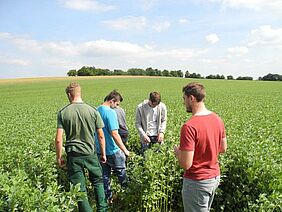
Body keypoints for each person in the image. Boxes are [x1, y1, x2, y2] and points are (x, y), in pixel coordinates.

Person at [174, 82, 227, 212]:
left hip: (197, 182)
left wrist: (178, 153)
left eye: (184, 99)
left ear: (191, 98)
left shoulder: (189, 126)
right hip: (214, 177)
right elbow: (223, 148)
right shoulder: (217, 119)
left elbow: (186, 164)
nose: (184, 102)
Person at [55, 82, 108, 212]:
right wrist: (103, 153)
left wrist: (59, 157)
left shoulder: (63, 113)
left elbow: (58, 139)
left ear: (69, 94)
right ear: (80, 93)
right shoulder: (93, 111)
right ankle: (102, 209)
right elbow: (101, 135)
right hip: (90, 153)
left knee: (79, 187)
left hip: (73, 155)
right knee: (98, 181)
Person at [95, 90, 130, 203]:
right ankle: (128, 196)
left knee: (104, 176)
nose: (116, 107)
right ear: (112, 101)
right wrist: (125, 150)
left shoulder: (97, 110)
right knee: (121, 173)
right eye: (117, 104)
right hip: (113, 150)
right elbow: (114, 133)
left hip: (100, 150)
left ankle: (108, 198)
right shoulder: (110, 112)